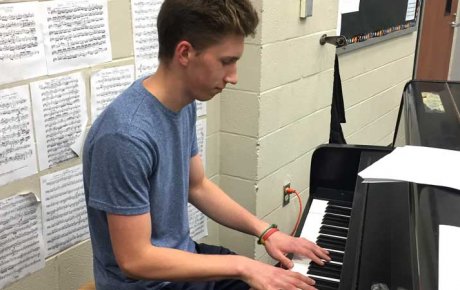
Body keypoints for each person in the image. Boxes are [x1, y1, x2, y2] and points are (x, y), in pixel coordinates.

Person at [82, 0, 330, 289]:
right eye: (226, 61)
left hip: (181, 259)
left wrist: (267, 233)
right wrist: (243, 266)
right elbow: (136, 260)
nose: (234, 77)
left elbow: (196, 185)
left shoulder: (181, 102)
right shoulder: (125, 137)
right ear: (185, 53)